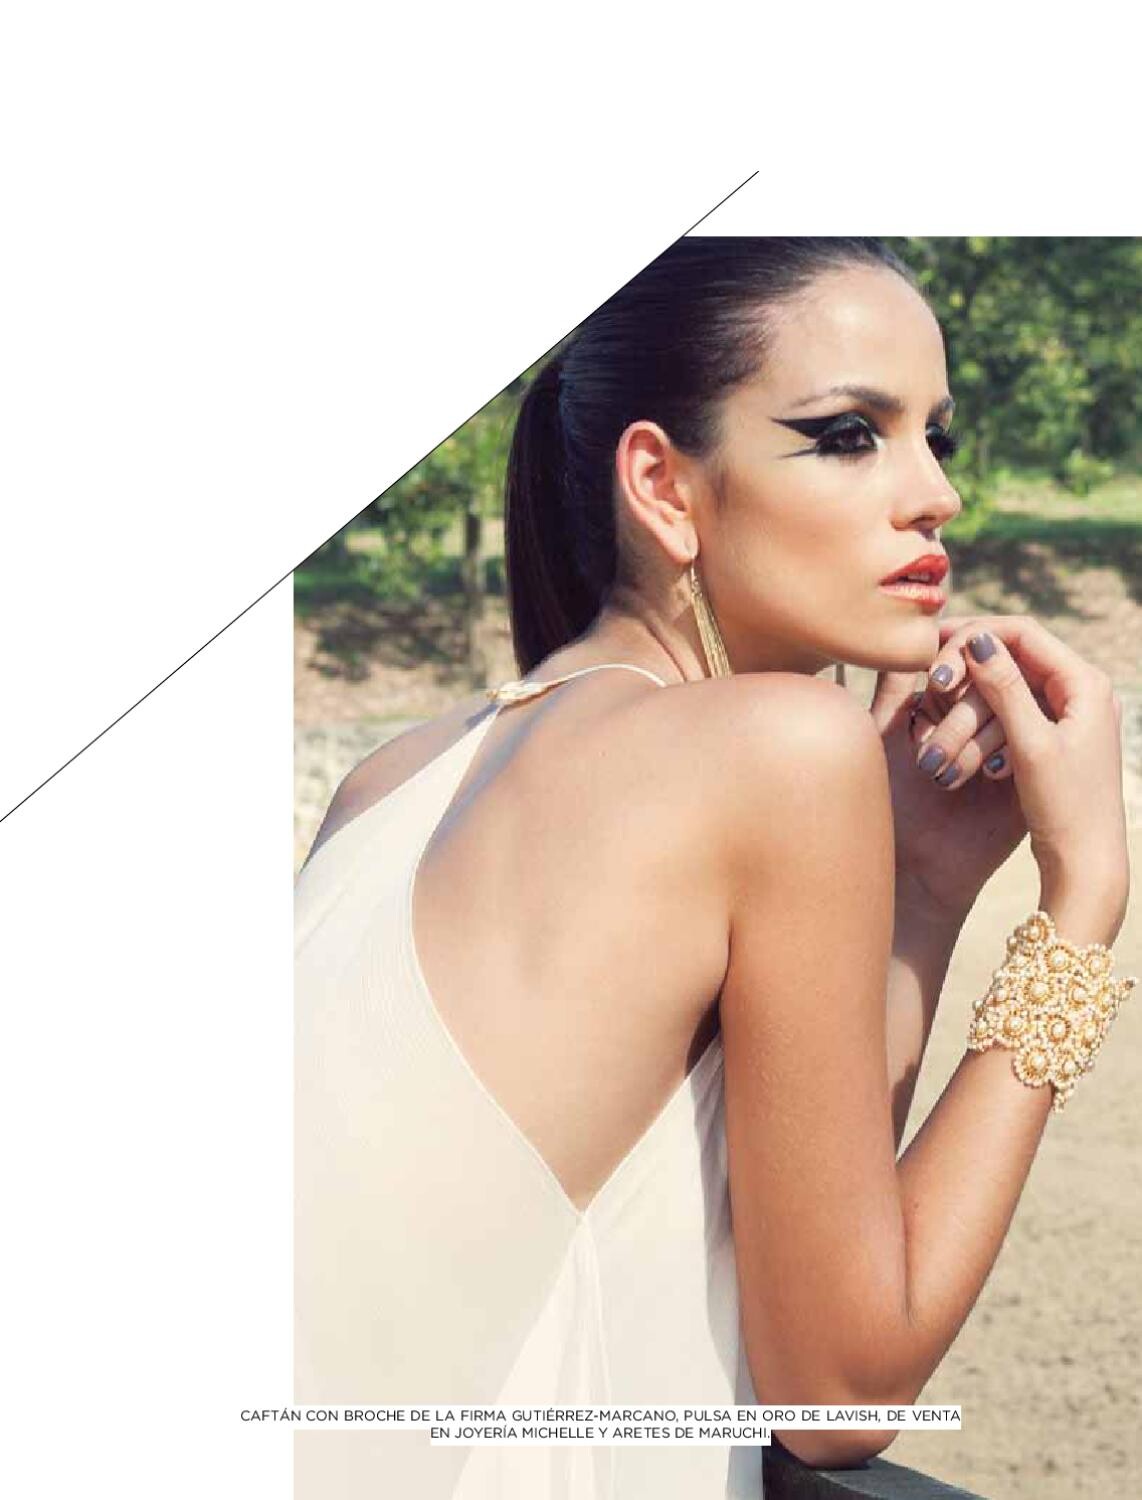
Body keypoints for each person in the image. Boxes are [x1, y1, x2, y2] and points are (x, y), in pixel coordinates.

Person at [293, 237, 1134, 1499]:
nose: (935, 496)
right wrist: (1079, 909)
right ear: (661, 483)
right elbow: (832, 1396)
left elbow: (778, 1261)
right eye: (847, 435)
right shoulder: (780, 746)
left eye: (936, 437)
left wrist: (919, 889)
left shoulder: (392, 779)